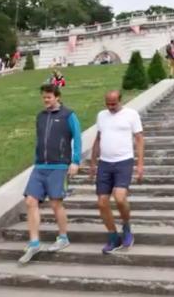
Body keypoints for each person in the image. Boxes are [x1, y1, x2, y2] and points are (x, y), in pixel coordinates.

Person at [19, 84, 83, 264]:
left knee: (56, 203)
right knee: (30, 201)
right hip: (40, 166)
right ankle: (34, 242)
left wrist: (75, 161)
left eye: (49, 97)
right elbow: (40, 141)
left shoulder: (68, 115)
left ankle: (63, 238)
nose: (46, 100)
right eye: (44, 97)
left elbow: (77, 138)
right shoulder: (40, 116)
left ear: (57, 97)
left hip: (59, 166)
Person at [89, 90, 144, 254]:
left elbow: (140, 139)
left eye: (114, 103)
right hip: (105, 163)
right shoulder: (101, 116)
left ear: (121, 100)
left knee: (120, 198)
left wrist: (140, 164)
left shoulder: (131, 115)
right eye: (108, 103)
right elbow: (98, 138)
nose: (111, 106)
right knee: (101, 203)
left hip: (124, 162)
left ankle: (126, 226)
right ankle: (113, 236)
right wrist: (93, 162)